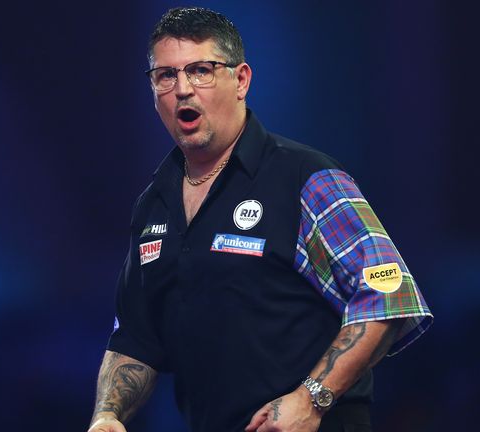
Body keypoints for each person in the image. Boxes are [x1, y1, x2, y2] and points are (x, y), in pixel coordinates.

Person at [88, 7, 432, 432]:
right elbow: (136, 338)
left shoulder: (306, 178)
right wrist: (107, 414)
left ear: (241, 80)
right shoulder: (153, 204)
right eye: (166, 76)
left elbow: (389, 293)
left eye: (201, 71)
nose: (182, 89)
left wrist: (312, 399)